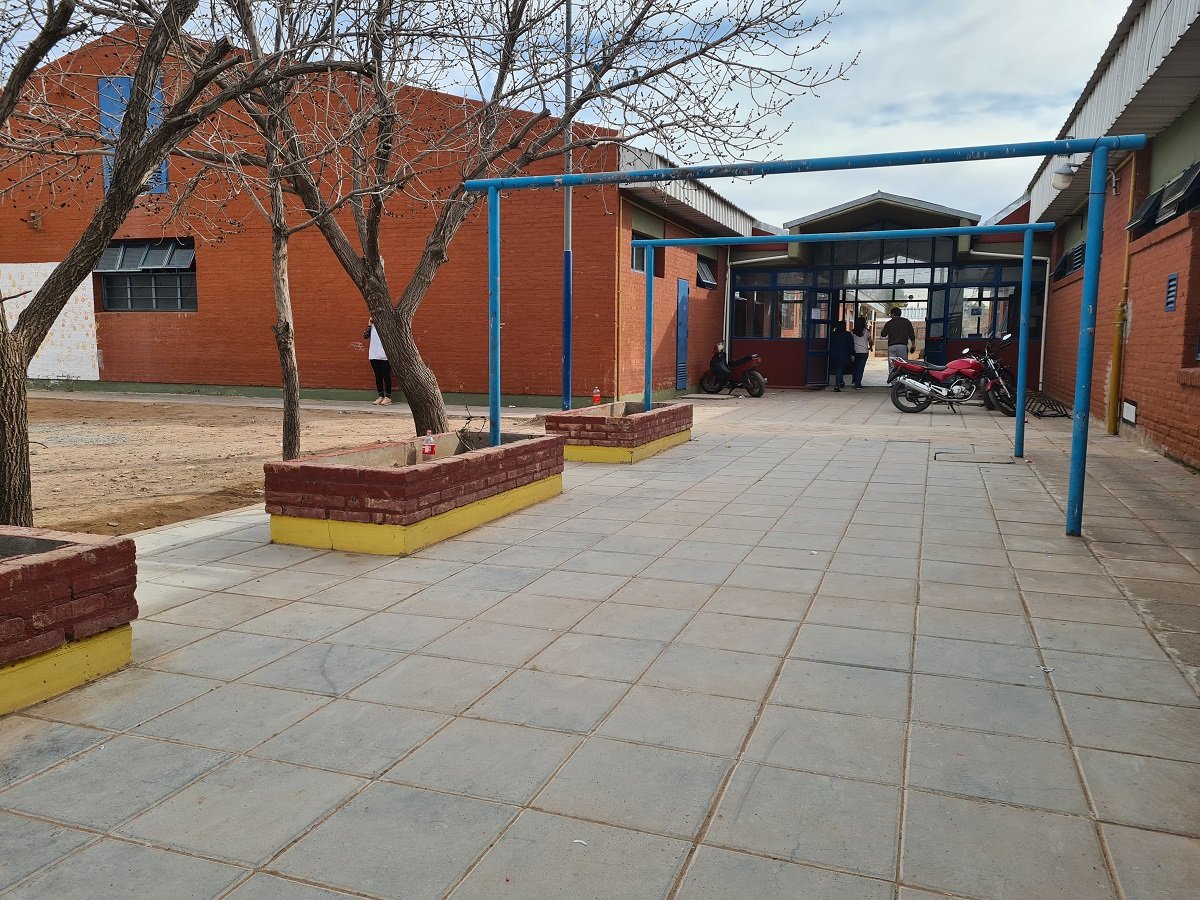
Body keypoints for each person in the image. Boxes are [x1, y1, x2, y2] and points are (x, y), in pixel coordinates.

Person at [363, 319, 393, 405]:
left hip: (385, 355)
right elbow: (365, 336)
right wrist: (369, 325)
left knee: (386, 376)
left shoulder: (388, 324)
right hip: (373, 354)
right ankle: (380, 396)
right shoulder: (372, 326)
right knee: (378, 376)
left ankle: (388, 397)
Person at [828, 321, 854, 391]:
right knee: (840, 369)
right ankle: (837, 386)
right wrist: (853, 353)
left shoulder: (833, 334)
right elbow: (851, 345)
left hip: (834, 354)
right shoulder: (847, 334)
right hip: (844, 354)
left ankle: (841, 381)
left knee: (838, 369)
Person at [850, 315, 872, 390]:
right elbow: (870, 341)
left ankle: (855, 380)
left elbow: (851, 341)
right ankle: (858, 384)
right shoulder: (867, 331)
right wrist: (871, 347)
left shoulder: (853, 332)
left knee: (855, 367)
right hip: (864, 352)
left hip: (855, 352)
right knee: (860, 368)